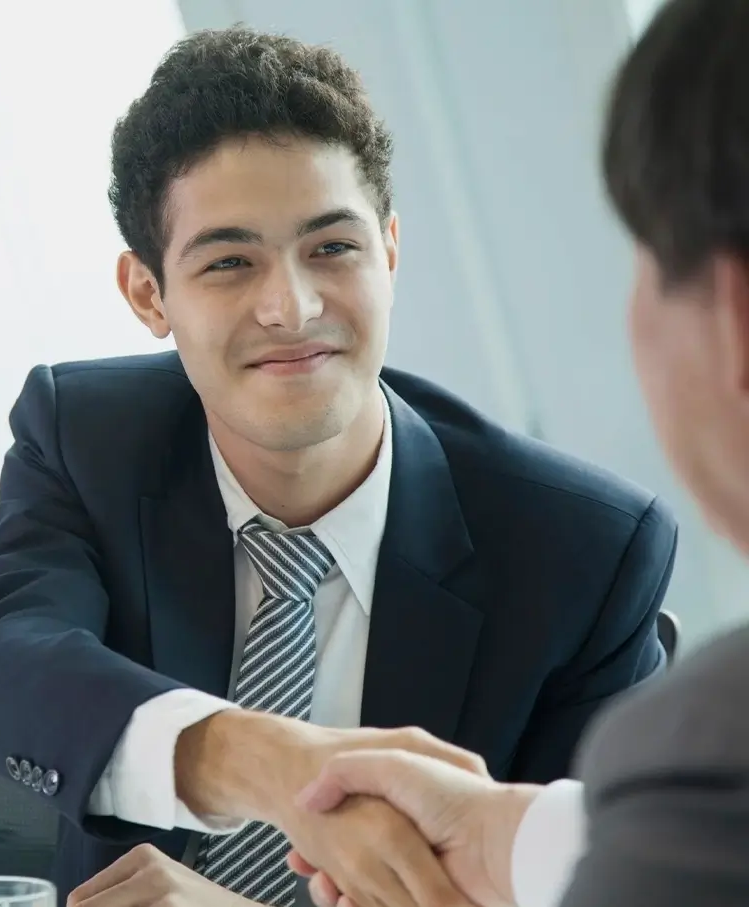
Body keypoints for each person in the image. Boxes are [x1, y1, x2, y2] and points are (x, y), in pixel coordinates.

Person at [0, 25, 676, 907]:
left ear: (389, 249)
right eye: (229, 262)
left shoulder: (581, 551)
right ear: (148, 294)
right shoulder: (86, 439)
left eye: (331, 248)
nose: (290, 307)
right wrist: (280, 766)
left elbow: (610, 886)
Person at [282, 1, 749, 906]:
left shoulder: (706, 753)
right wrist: (506, 836)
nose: (291, 309)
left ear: (736, 321)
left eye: (643, 258)